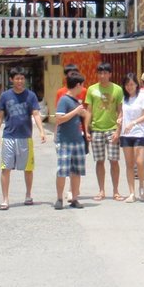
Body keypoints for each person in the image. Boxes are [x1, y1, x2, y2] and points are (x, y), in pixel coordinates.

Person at [0, 67, 47, 210]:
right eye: (17, 78)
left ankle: (28, 195)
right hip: (9, 136)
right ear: (11, 80)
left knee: (28, 169)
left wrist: (41, 131)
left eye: (22, 78)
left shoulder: (31, 96)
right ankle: (5, 199)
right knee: (6, 168)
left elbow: (35, 113)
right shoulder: (5, 96)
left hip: (25, 137)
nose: (20, 81)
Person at [83, 62, 124, 201]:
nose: (102, 76)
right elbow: (88, 111)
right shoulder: (92, 89)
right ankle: (101, 190)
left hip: (112, 129)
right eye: (100, 73)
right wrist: (86, 129)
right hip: (96, 130)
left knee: (114, 160)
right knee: (99, 161)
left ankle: (116, 191)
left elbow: (120, 111)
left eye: (105, 73)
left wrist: (119, 130)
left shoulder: (117, 89)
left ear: (110, 74)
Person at [53, 71, 88, 210]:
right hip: (65, 141)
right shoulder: (64, 100)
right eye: (82, 85)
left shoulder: (76, 101)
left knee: (76, 171)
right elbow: (59, 119)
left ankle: (74, 198)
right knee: (62, 170)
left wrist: (82, 113)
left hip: (77, 140)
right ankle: (59, 198)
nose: (82, 89)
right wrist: (76, 112)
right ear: (78, 85)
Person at [119, 72, 144, 203]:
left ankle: (142, 185)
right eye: (127, 84)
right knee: (129, 164)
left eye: (131, 84)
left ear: (137, 84)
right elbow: (121, 114)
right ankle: (131, 192)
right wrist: (119, 120)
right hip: (125, 134)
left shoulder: (142, 97)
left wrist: (133, 122)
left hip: (139, 133)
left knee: (140, 162)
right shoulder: (124, 99)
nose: (129, 87)